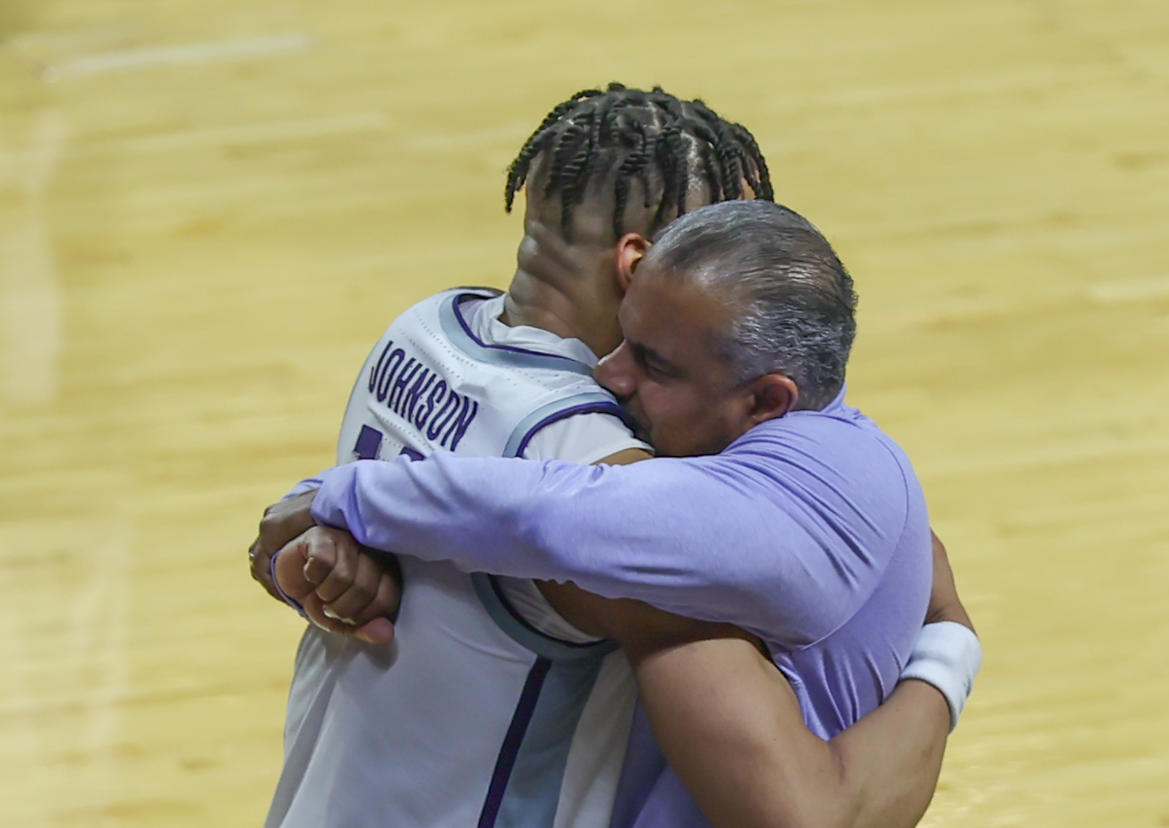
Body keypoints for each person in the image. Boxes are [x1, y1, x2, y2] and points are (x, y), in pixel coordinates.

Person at [250, 86, 981, 827]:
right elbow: (803, 810)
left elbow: (321, 547)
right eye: (727, 238)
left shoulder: (425, 332)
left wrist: (314, 535)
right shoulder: (604, 469)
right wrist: (947, 644)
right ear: (642, 264)